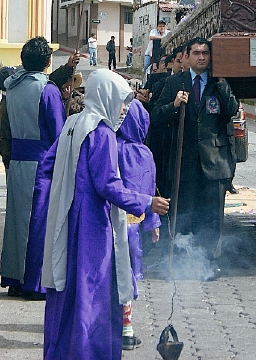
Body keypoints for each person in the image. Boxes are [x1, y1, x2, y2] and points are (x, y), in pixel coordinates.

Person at [42, 70, 170, 360]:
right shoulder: (101, 132)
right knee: (93, 290)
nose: (124, 108)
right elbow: (108, 185)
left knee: (68, 289)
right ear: (106, 96)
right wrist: (147, 202)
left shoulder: (73, 123)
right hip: (93, 223)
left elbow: (47, 165)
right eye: (121, 100)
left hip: (68, 215)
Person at [151, 37, 237, 272]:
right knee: (184, 214)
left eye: (205, 53)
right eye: (196, 53)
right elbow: (155, 116)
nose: (201, 57)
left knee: (211, 217)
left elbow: (231, 110)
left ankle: (209, 263)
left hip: (214, 162)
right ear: (186, 57)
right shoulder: (173, 83)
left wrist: (221, 83)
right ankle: (183, 262)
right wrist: (174, 106)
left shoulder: (218, 83)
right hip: (184, 161)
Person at [1, 37, 67, 298]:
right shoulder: (47, 90)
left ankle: (14, 278)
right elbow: (58, 132)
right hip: (41, 163)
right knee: (38, 222)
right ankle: (34, 281)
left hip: (17, 161)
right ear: (48, 61)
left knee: (16, 221)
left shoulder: (12, 87)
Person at [115, 97, 161, 351]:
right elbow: (150, 190)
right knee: (129, 273)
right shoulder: (145, 153)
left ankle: (121, 325)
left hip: (114, 222)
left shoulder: (112, 146)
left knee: (117, 273)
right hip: (136, 223)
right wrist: (153, 222)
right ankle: (126, 327)